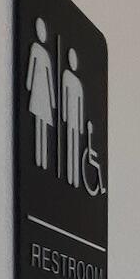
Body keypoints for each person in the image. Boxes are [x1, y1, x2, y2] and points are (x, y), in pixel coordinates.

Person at [26, 18, 55, 169]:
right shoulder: (36, 49)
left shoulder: (45, 54)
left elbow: (50, 79)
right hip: (38, 91)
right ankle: (39, 158)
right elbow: (31, 69)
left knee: (43, 124)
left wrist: (53, 100)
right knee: (38, 123)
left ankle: (43, 159)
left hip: (43, 94)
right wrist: (29, 85)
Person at [60, 46, 85, 189]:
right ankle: (70, 176)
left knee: (75, 146)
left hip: (75, 118)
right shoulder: (66, 77)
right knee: (69, 144)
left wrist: (81, 125)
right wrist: (63, 114)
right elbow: (64, 96)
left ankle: (74, 178)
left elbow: (81, 104)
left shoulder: (78, 83)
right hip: (69, 117)